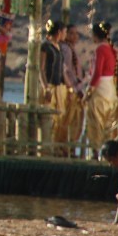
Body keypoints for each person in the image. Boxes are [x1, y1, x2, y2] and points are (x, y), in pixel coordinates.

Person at [85, 20, 118, 158]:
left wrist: (88, 91)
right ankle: (106, 153)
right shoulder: (111, 49)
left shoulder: (100, 49)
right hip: (110, 88)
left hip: (100, 89)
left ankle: (95, 151)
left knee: (95, 121)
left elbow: (97, 73)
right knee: (107, 122)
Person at [40, 20, 69, 150]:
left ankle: (56, 146)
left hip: (58, 87)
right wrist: (45, 87)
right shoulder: (45, 46)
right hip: (49, 86)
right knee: (48, 117)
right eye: (64, 32)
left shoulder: (59, 47)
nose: (65, 35)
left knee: (60, 118)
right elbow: (41, 68)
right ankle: (45, 146)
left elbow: (62, 70)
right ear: (58, 32)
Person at [61, 23, 86, 150]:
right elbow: (66, 70)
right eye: (71, 33)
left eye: (76, 33)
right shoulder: (65, 49)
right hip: (71, 89)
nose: (75, 36)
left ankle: (69, 147)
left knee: (76, 120)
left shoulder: (71, 48)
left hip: (76, 88)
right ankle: (65, 147)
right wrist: (74, 88)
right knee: (70, 119)